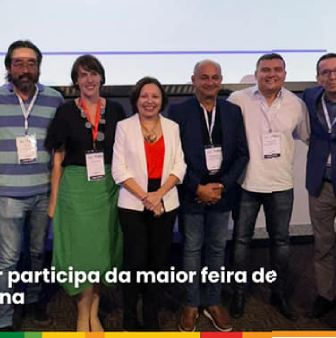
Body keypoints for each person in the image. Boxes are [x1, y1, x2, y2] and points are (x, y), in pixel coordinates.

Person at [0, 40, 64, 331]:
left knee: (38, 253)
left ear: (38, 67)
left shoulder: (54, 100)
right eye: (18, 63)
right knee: (8, 258)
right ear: (8, 67)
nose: (25, 69)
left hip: (42, 191)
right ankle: (2, 319)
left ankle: (33, 300)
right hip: (7, 194)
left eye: (31, 63)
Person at [45, 55, 125, 331]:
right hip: (75, 189)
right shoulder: (66, 112)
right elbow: (58, 159)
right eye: (82, 75)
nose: (88, 80)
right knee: (81, 254)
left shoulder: (116, 110)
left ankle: (95, 311)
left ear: (101, 78)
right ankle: (82, 313)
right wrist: (53, 201)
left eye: (93, 74)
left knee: (102, 252)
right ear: (75, 81)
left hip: (107, 189)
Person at [168, 60, 249, 332]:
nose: (210, 82)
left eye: (215, 78)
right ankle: (191, 303)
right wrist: (197, 188)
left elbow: (242, 154)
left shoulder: (233, 111)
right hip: (192, 194)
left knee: (216, 249)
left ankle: (213, 301)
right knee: (191, 250)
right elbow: (174, 157)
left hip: (222, 194)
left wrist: (221, 186)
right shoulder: (178, 112)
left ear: (221, 80)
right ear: (193, 80)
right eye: (204, 77)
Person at [228, 53, 309, 320]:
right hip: (247, 183)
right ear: (256, 73)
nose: (271, 74)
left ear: (285, 74)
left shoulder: (296, 104)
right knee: (240, 241)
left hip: (281, 184)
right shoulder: (238, 100)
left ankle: (279, 292)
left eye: (277, 69)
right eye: (265, 69)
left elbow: (307, 136)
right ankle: (238, 294)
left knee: (281, 241)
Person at [112, 76, 186, 331]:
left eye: (155, 96)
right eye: (144, 96)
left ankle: (151, 315)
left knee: (158, 262)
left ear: (162, 100)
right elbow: (118, 170)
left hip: (165, 202)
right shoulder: (124, 127)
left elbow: (180, 165)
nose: (149, 101)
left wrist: (159, 195)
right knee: (134, 263)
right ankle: (130, 316)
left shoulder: (172, 127)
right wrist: (147, 197)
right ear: (136, 100)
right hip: (133, 203)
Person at [302, 53, 336, 318]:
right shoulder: (310, 98)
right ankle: (326, 295)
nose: (331, 76)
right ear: (318, 78)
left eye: (335, 71)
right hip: (320, 183)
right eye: (325, 72)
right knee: (323, 244)